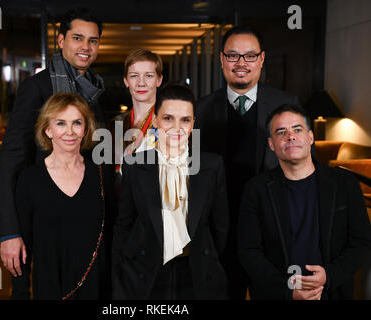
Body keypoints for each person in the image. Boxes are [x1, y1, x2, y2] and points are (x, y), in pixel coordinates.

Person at [0, 8, 105, 278]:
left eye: (93, 40)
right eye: (78, 38)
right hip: (41, 214)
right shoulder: (36, 87)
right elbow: (11, 157)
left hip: (80, 210)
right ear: (60, 40)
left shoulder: (95, 89)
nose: (86, 47)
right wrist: (9, 231)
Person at [194, 26, 299, 299]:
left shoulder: (286, 105)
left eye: (250, 56)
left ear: (262, 59)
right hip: (220, 235)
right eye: (233, 55)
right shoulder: (201, 110)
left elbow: (300, 168)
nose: (241, 63)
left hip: (271, 232)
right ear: (221, 59)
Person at [237, 104, 371, 300]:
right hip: (277, 294)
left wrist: (329, 276)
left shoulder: (345, 184)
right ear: (271, 144)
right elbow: (249, 251)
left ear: (310, 137)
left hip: (332, 292)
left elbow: (362, 243)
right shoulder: (256, 189)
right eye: (281, 132)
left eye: (297, 129)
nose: (290, 136)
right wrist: (287, 291)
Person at [112, 83, 229, 300]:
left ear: (193, 123)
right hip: (147, 272)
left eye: (185, 120)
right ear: (155, 120)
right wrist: (119, 273)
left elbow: (220, 226)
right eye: (168, 118)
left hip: (196, 272)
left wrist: (209, 261)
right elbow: (124, 224)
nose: (177, 127)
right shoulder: (135, 165)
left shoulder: (212, 165)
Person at [11, 92, 115, 300]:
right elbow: (22, 249)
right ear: (47, 129)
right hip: (50, 289)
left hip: (98, 289)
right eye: (60, 123)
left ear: (85, 129)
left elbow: (113, 237)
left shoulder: (102, 173)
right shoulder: (29, 179)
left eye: (77, 123)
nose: (69, 132)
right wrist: (20, 294)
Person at [113, 48, 163, 173]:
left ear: (159, 80)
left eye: (149, 76)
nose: (141, 83)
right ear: (126, 81)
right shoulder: (116, 124)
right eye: (134, 76)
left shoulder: (168, 124)